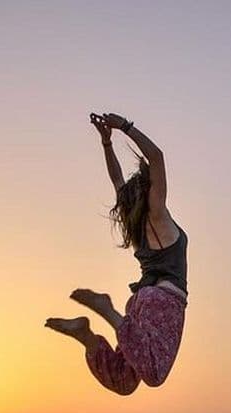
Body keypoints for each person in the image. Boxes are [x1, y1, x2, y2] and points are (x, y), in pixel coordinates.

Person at [45, 112, 188, 395]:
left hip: (139, 303)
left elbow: (117, 179)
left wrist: (107, 144)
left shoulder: (135, 223)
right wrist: (125, 126)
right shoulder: (157, 214)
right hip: (165, 301)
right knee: (154, 373)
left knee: (124, 380)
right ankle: (106, 310)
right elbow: (156, 157)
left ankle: (86, 337)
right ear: (148, 191)